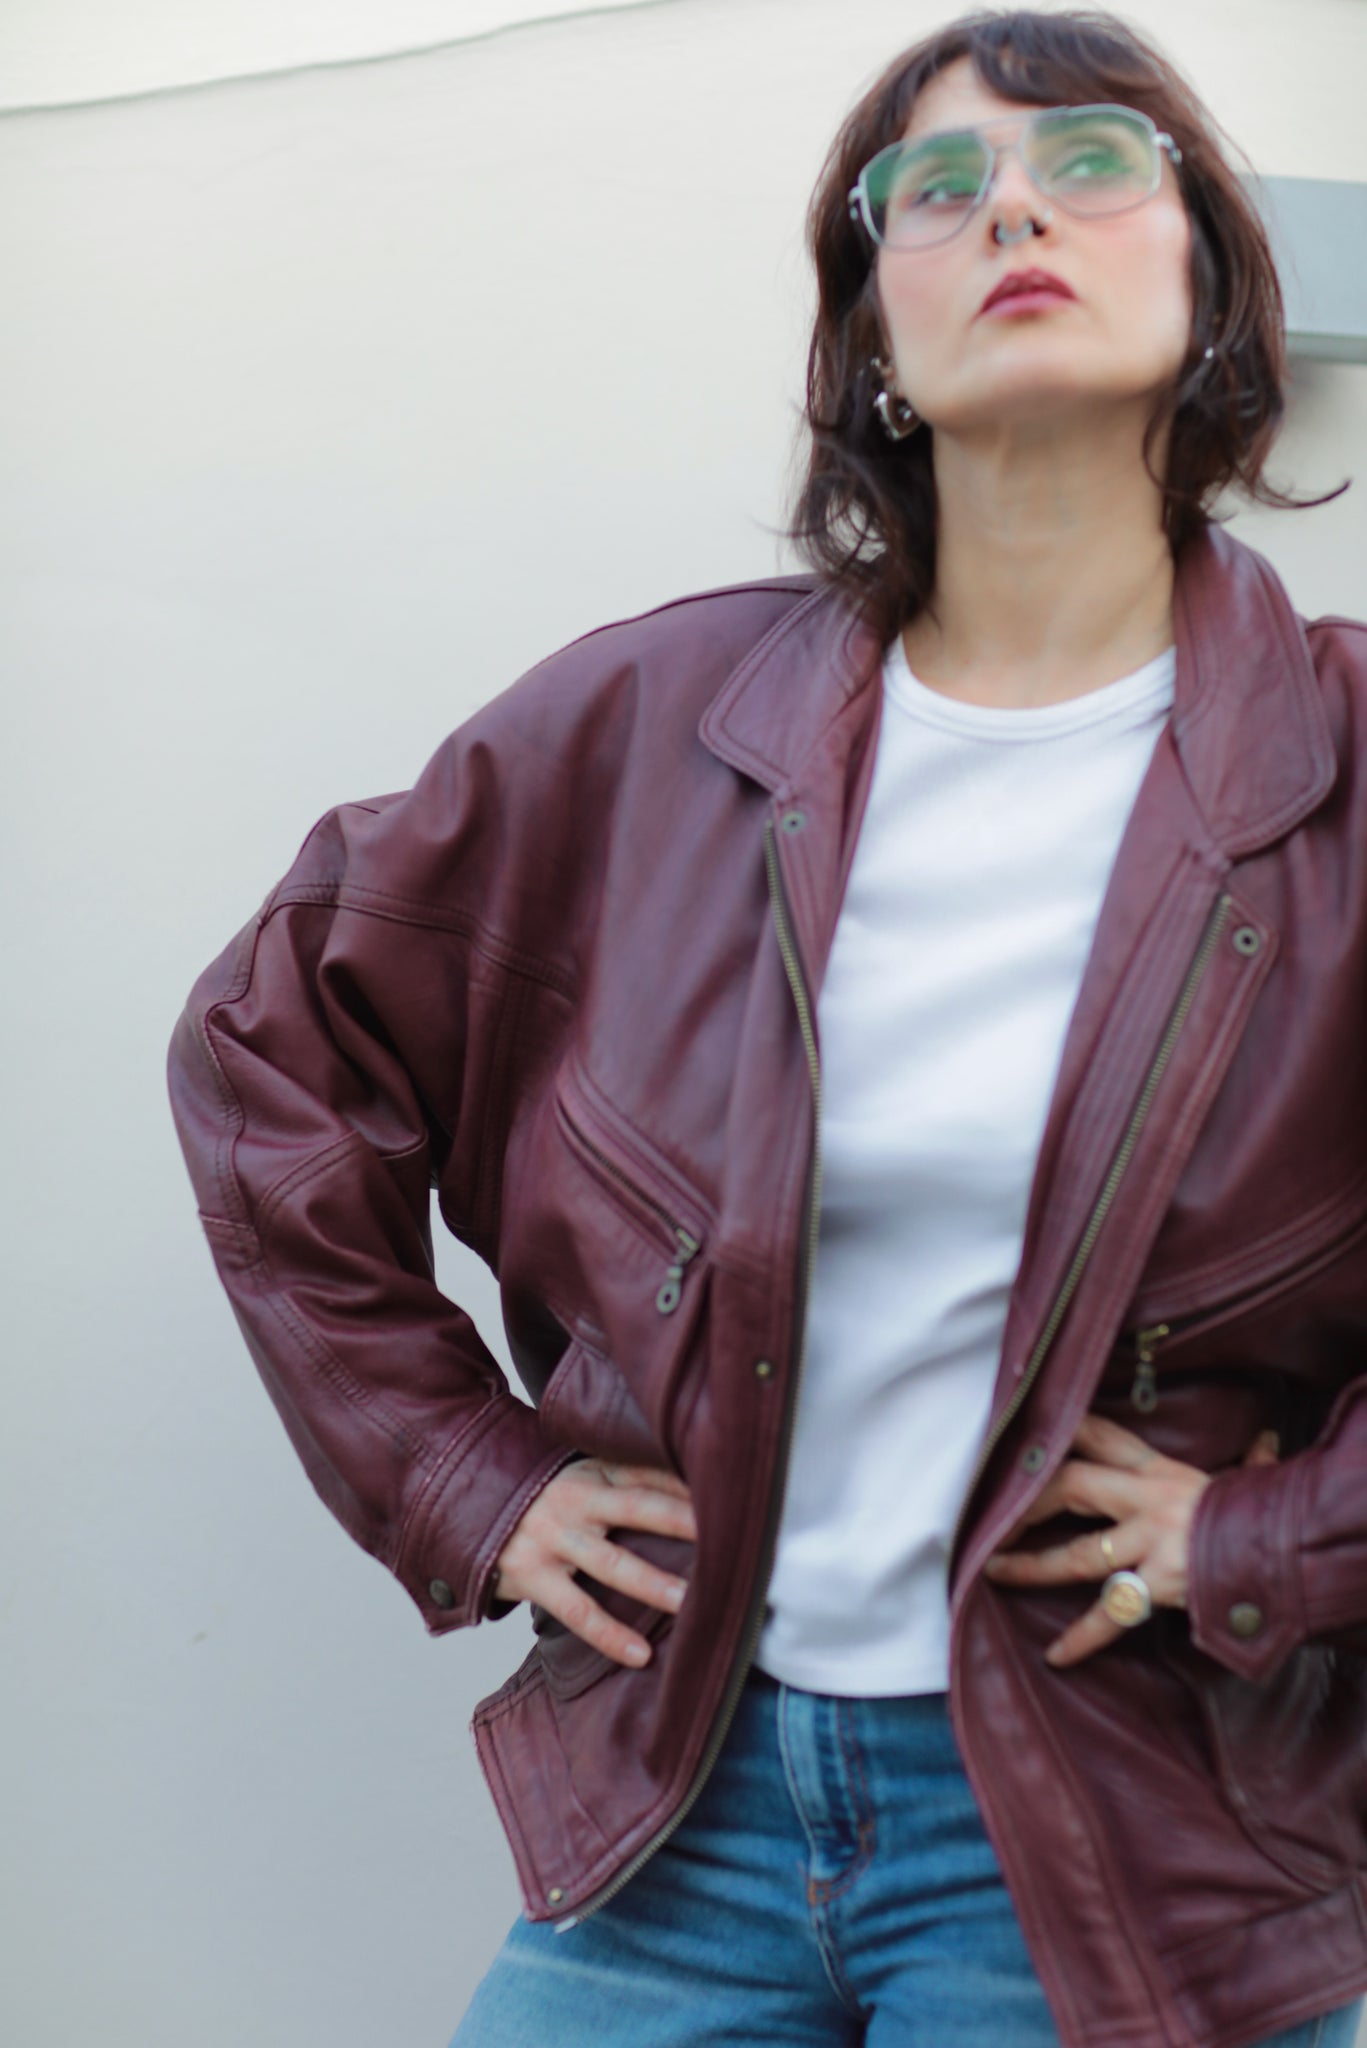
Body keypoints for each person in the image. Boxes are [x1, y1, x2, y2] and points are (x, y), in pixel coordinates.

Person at [167, 9, 1367, 2045]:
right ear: (873, 344)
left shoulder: (1342, 758)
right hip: (682, 1814)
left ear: (1212, 283)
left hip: (1120, 1842)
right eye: (935, 186)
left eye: (1092, 164)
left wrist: (1275, 1532)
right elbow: (270, 1053)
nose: (1011, 204)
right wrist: (475, 1479)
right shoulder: (647, 736)